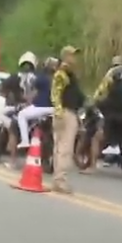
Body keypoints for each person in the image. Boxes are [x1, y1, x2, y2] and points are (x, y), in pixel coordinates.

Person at [51, 45, 85, 194]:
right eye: (71, 55)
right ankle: (61, 181)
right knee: (65, 149)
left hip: (68, 112)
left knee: (60, 148)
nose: (74, 59)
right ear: (65, 57)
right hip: (66, 113)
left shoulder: (70, 74)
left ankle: (58, 179)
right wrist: (59, 112)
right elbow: (55, 94)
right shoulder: (62, 74)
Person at [88, 58, 122, 171]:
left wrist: (97, 103)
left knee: (97, 139)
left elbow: (105, 100)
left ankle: (92, 166)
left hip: (113, 120)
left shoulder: (112, 87)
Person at [16, 56, 56, 148]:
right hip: (54, 108)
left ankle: (25, 141)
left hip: (41, 106)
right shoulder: (57, 78)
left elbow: (33, 92)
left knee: (22, 115)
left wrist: (27, 100)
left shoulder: (41, 78)